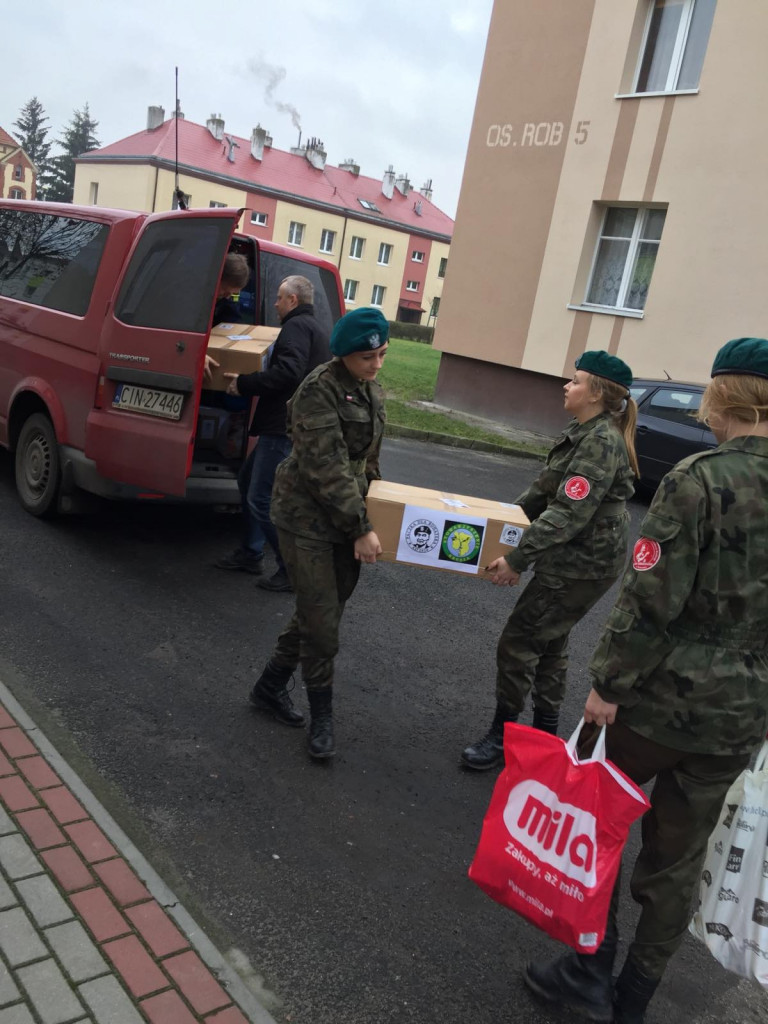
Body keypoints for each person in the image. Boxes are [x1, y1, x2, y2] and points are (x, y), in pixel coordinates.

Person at [523, 337, 768, 1023]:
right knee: (676, 862)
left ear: (723, 395)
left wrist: (607, 685)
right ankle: (632, 1001)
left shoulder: (700, 478)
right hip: (740, 716)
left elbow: (651, 598)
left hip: (658, 700)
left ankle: (588, 968)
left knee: (594, 823)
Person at [461, 351, 639, 770]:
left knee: (519, 642)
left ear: (595, 394)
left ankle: (504, 738)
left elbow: (567, 513)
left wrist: (518, 558)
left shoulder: (600, 442)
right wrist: (499, 523)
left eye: (575, 381)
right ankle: (545, 738)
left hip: (582, 563)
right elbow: (543, 491)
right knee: (550, 642)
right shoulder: (584, 430)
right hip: (574, 555)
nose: (566, 385)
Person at [247, 307, 388, 758]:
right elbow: (325, 467)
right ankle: (321, 717)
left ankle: (269, 685)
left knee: (321, 610)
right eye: (367, 357)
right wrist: (361, 526)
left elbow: (367, 460)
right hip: (306, 517)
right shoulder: (317, 390)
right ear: (344, 354)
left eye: (382, 354)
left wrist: (378, 508)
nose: (376, 364)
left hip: (346, 515)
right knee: (322, 625)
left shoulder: (369, 389)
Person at [216, 275, 330, 590]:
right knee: (247, 482)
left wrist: (244, 383)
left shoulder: (295, 327)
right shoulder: (316, 328)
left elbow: (288, 372)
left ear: (293, 300)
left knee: (261, 497)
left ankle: (290, 569)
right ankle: (250, 553)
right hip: (293, 423)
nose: (276, 303)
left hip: (283, 426)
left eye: (280, 298)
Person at [203, 253, 250, 384]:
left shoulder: (226, 307)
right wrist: (196, 355)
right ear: (218, 278)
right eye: (225, 290)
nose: (227, 296)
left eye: (232, 294)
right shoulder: (193, 299)